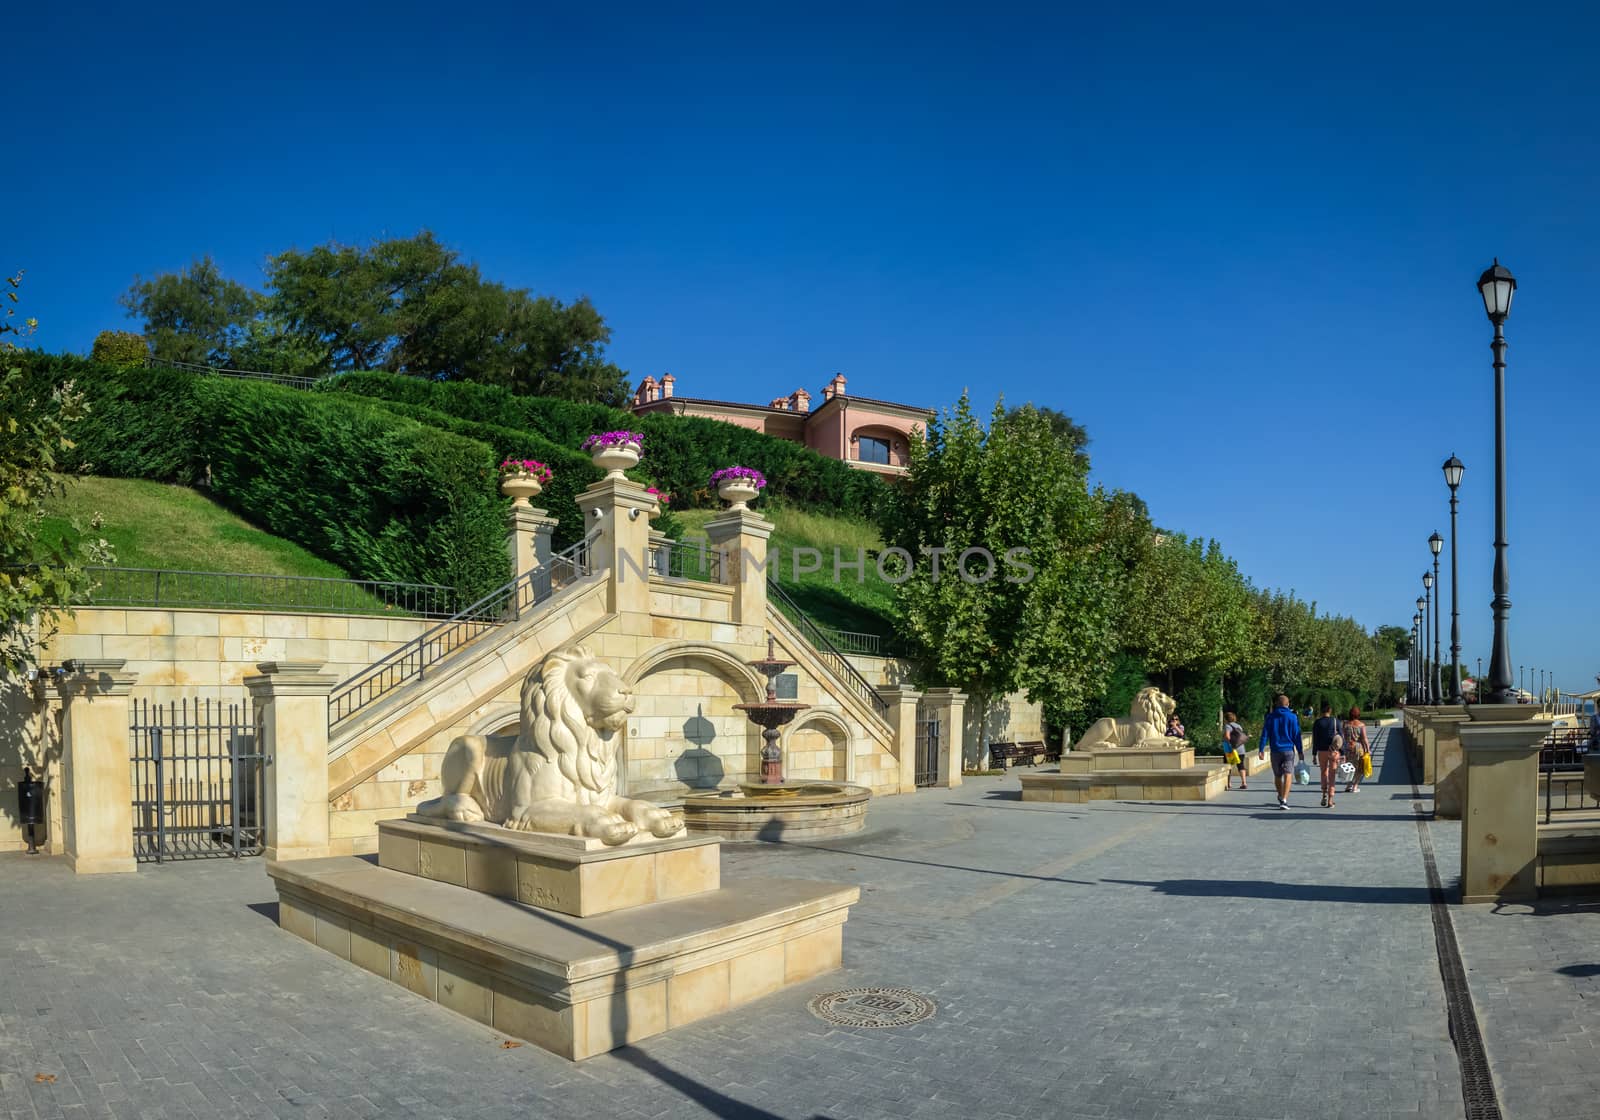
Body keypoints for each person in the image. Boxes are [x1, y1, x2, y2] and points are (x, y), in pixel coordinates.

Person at [1258, 694, 1304, 810]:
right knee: (1288, 774)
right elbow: (1296, 735)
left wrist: (1261, 749)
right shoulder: (1293, 717)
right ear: (1288, 704)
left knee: (1278, 775)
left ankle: (1280, 794)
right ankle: (1284, 799)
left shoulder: (1270, 717)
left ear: (1277, 704)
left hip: (1275, 750)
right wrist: (1300, 751)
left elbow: (1265, 734)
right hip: (1288, 750)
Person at [1311, 702, 1343, 808]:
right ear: (1330, 711)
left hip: (1322, 751)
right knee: (1332, 775)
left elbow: (1315, 740)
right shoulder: (1336, 722)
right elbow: (1340, 739)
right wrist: (1342, 753)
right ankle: (1330, 799)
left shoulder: (1317, 723)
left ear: (1321, 711)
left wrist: (1314, 754)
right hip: (1333, 752)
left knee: (1323, 772)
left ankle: (1324, 794)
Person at [1342, 706, 1372, 794]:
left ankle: (1348, 785)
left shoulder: (1345, 724)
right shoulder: (1361, 725)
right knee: (1359, 768)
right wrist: (1368, 749)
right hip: (1358, 747)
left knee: (1349, 766)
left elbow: (1343, 737)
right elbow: (1364, 738)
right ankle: (1355, 786)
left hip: (1348, 747)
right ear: (1358, 715)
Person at [1222, 710, 1248, 790]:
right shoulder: (1238, 726)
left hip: (1231, 749)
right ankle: (1244, 782)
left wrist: (1229, 743)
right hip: (1241, 749)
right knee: (1241, 765)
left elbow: (1227, 736)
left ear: (1225, 719)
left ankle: (1228, 783)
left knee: (1228, 766)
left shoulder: (1228, 726)